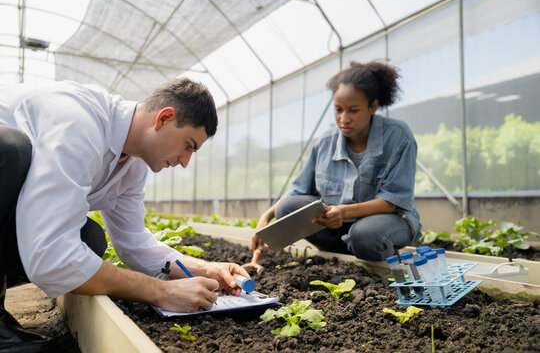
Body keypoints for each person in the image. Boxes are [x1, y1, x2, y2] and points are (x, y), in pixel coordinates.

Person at [0, 78, 249, 352]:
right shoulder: (80, 125)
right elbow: (51, 255)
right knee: (10, 151)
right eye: (188, 145)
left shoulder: (133, 164)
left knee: (90, 241)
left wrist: (205, 268)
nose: (185, 161)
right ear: (164, 118)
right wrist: (160, 291)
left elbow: (133, 243)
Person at [251, 61, 422, 261]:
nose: (344, 118)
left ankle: (371, 250)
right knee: (285, 208)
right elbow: (296, 191)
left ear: (373, 106)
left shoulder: (398, 137)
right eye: (338, 109)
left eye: (353, 110)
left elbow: (392, 202)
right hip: (336, 228)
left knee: (365, 235)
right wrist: (265, 218)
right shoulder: (325, 142)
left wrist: (343, 211)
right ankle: (342, 255)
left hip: (386, 222)